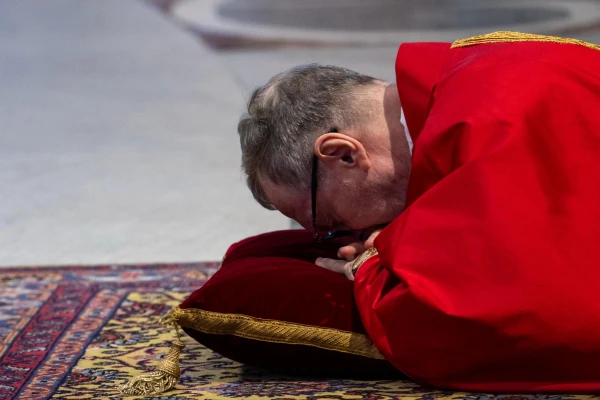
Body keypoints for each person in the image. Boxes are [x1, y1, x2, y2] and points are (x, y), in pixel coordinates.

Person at [237, 31, 600, 392]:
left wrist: (369, 270)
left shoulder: (488, 119)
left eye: (331, 223)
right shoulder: (466, 76)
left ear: (343, 153)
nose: (350, 238)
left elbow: (531, 314)